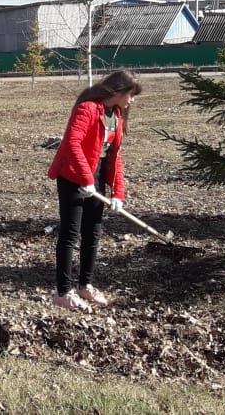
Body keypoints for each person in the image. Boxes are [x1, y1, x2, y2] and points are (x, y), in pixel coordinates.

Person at [46, 70, 142, 313]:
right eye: (131, 94)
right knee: (70, 233)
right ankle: (63, 292)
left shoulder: (116, 115)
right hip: (72, 176)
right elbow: (72, 143)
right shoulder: (87, 109)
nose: (132, 100)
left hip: (95, 177)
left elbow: (114, 156)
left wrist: (118, 193)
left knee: (93, 233)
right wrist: (85, 178)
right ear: (119, 91)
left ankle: (85, 285)